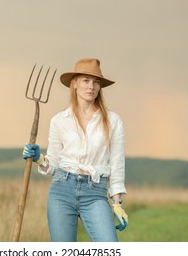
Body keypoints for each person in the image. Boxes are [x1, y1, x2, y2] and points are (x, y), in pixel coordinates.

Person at [22, 58, 128, 242]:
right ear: (74, 84)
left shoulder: (113, 121)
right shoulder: (59, 120)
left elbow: (117, 165)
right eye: (86, 81)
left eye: (96, 82)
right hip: (62, 191)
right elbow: (53, 164)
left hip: (95, 193)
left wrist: (117, 202)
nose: (91, 86)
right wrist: (39, 158)